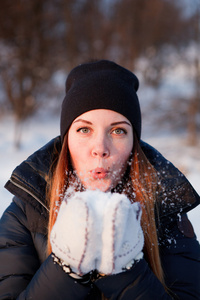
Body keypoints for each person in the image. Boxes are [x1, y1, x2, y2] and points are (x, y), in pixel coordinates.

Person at [0, 60, 199, 300]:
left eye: (118, 131)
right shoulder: (25, 210)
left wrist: (125, 268)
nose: (100, 148)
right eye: (84, 130)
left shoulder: (165, 210)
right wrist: (66, 267)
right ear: (66, 140)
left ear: (133, 143)